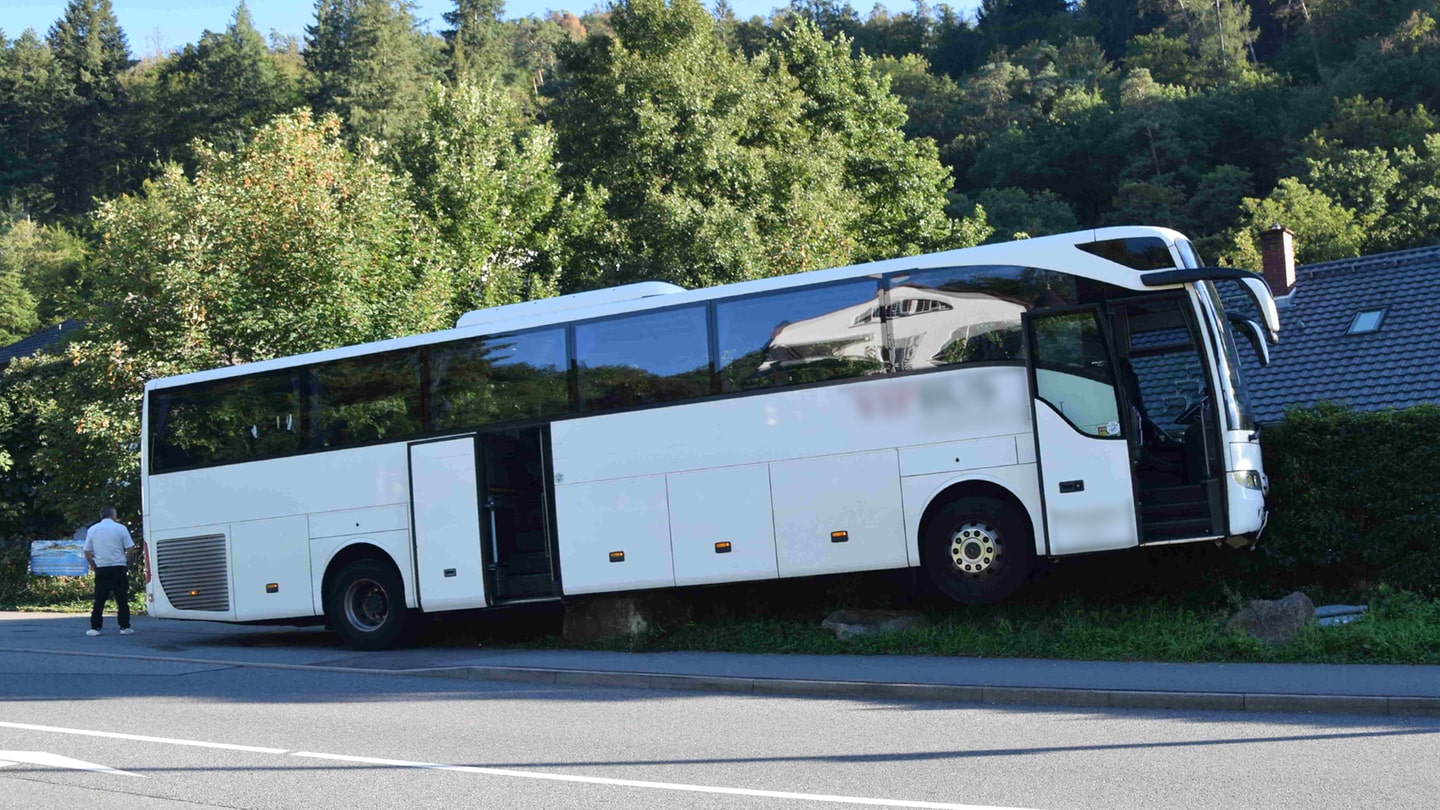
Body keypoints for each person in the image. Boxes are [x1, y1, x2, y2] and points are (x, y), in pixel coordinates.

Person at [83, 507, 137, 636]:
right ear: (113, 515)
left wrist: (93, 564)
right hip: (118, 566)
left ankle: (95, 628)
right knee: (122, 598)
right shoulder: (121, 528)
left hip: (101, 567)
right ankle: (124, 627)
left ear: (101, 515)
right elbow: (131, 548)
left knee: (99, 599)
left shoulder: (93, 529)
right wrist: (125, 560)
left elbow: (87, 551)